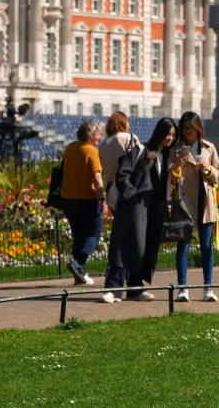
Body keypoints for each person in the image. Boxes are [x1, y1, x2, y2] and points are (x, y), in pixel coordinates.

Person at [108, 118, 177, 303]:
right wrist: (130, 194)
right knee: (129, 244)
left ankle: (136, 287)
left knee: (147, 246)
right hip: (136, 205)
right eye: (167, 134)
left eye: (172, 135)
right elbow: (123, 174)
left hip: (154, 208)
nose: (169, 138)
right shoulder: (142, 150)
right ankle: (113, 288)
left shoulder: (167, 156)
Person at [170, 111, 219, 303]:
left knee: (207, 247)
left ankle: (208, 288)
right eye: (184, 128)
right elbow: (170, 180)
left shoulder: (209, 148)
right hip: (185, 204)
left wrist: (208, 170)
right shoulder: (176, 150)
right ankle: (182, 288)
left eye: (191, 128)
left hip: (205, 203)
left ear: (198, 128)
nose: (188, 132)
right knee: (183, 246)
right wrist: (177, 164)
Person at [98, 111, 138, 300]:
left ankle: (120, 280)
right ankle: (125, 280)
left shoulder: (103, 144)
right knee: (128, 237)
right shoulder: (129, 139)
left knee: (121, 232)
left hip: (111, 186)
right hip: (126, 186)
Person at [60, 119, 105, 286]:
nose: (101, 138)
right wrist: (102, 199)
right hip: (87, 199)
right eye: (99, 134)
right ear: (92, 134)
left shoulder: (70, 148)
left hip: (68, 198)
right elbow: (97, 178)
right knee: (95, 234)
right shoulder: (91, 151)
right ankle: (78, 263)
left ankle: (80, 274)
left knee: (78, 236)